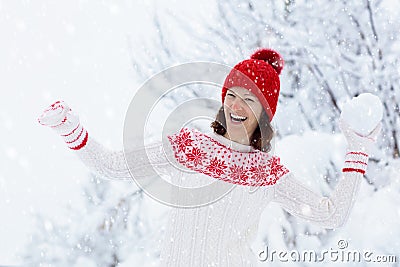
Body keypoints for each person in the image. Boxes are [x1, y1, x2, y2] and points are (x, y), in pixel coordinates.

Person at [38, 48, 381, 266]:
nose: (235, 106)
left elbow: (332, 216)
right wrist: (70, 129)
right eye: (231, 94)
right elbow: (112, 165)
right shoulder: (190, 147)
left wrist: (359, 150)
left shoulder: (267, 174)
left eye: (248, 99)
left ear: (265, 111)